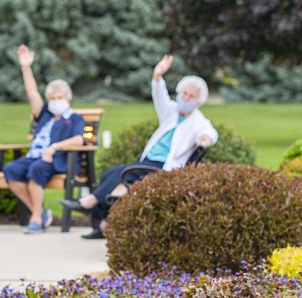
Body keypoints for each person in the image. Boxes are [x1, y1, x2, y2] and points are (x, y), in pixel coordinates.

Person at [62, 54, 218, 240]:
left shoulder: (198, 121)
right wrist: (157, 75)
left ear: (198, 101)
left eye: (191, 96)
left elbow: (209, 134)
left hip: (164, 167)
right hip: (147, 161)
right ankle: (103, 224)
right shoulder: (171, 111)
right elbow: (159, 96)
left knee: (122, 173)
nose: (186, 98)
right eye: (184, 93)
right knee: (110, 173)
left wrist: (205, 139)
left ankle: (90, 202)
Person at [2, 44, 86, 234]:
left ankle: (36, 218)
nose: (55, 101)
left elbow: (79, 140)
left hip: (56, 160)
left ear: (68, 99)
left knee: (36, 168)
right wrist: (25, 67)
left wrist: (54, 147)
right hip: (35, 156)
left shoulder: (74, 118)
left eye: (59, 97)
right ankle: (39, 212)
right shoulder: (46, 114)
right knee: (10, 169)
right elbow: (32, 93)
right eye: (52, 98)